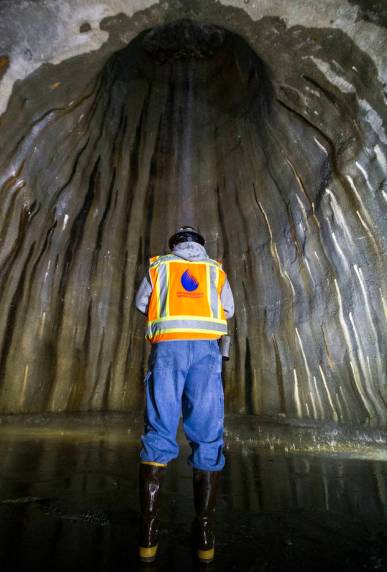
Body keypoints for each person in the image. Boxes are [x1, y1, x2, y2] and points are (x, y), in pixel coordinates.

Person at [134, 225, 234, 564]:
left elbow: (140, 303)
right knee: (207, 432)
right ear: (201, 247)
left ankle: (148, 534)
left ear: (174, 245)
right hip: (206, 354)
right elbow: (229, 310)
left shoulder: (158, 267)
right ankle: (204, 533)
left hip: (167, 352)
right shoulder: (215, 271)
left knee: (159, 427)